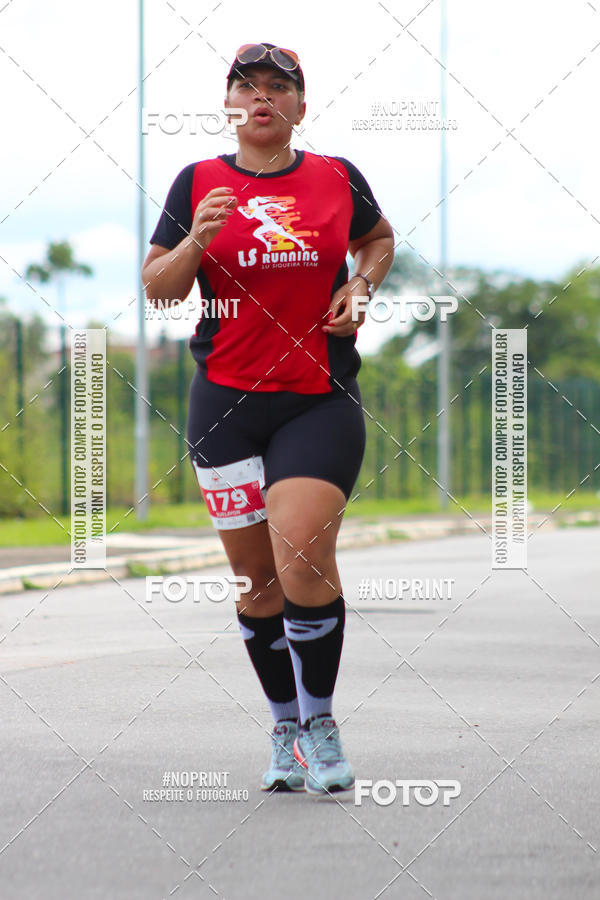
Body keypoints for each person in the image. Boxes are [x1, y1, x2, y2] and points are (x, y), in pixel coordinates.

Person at [143, 42, 394, 794]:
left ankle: (320, 720)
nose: (261, 98)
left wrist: (362, 284)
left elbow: (377, 241)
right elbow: (157, 289)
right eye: (246, 87)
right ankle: (283, 725)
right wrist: (197, 239)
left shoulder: (336, 177)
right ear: (230, 104)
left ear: (299, 106)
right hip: (225, 404)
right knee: (257, 583)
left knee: (302, 556)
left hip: (318, 397)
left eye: (277, 88)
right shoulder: (199, 182)